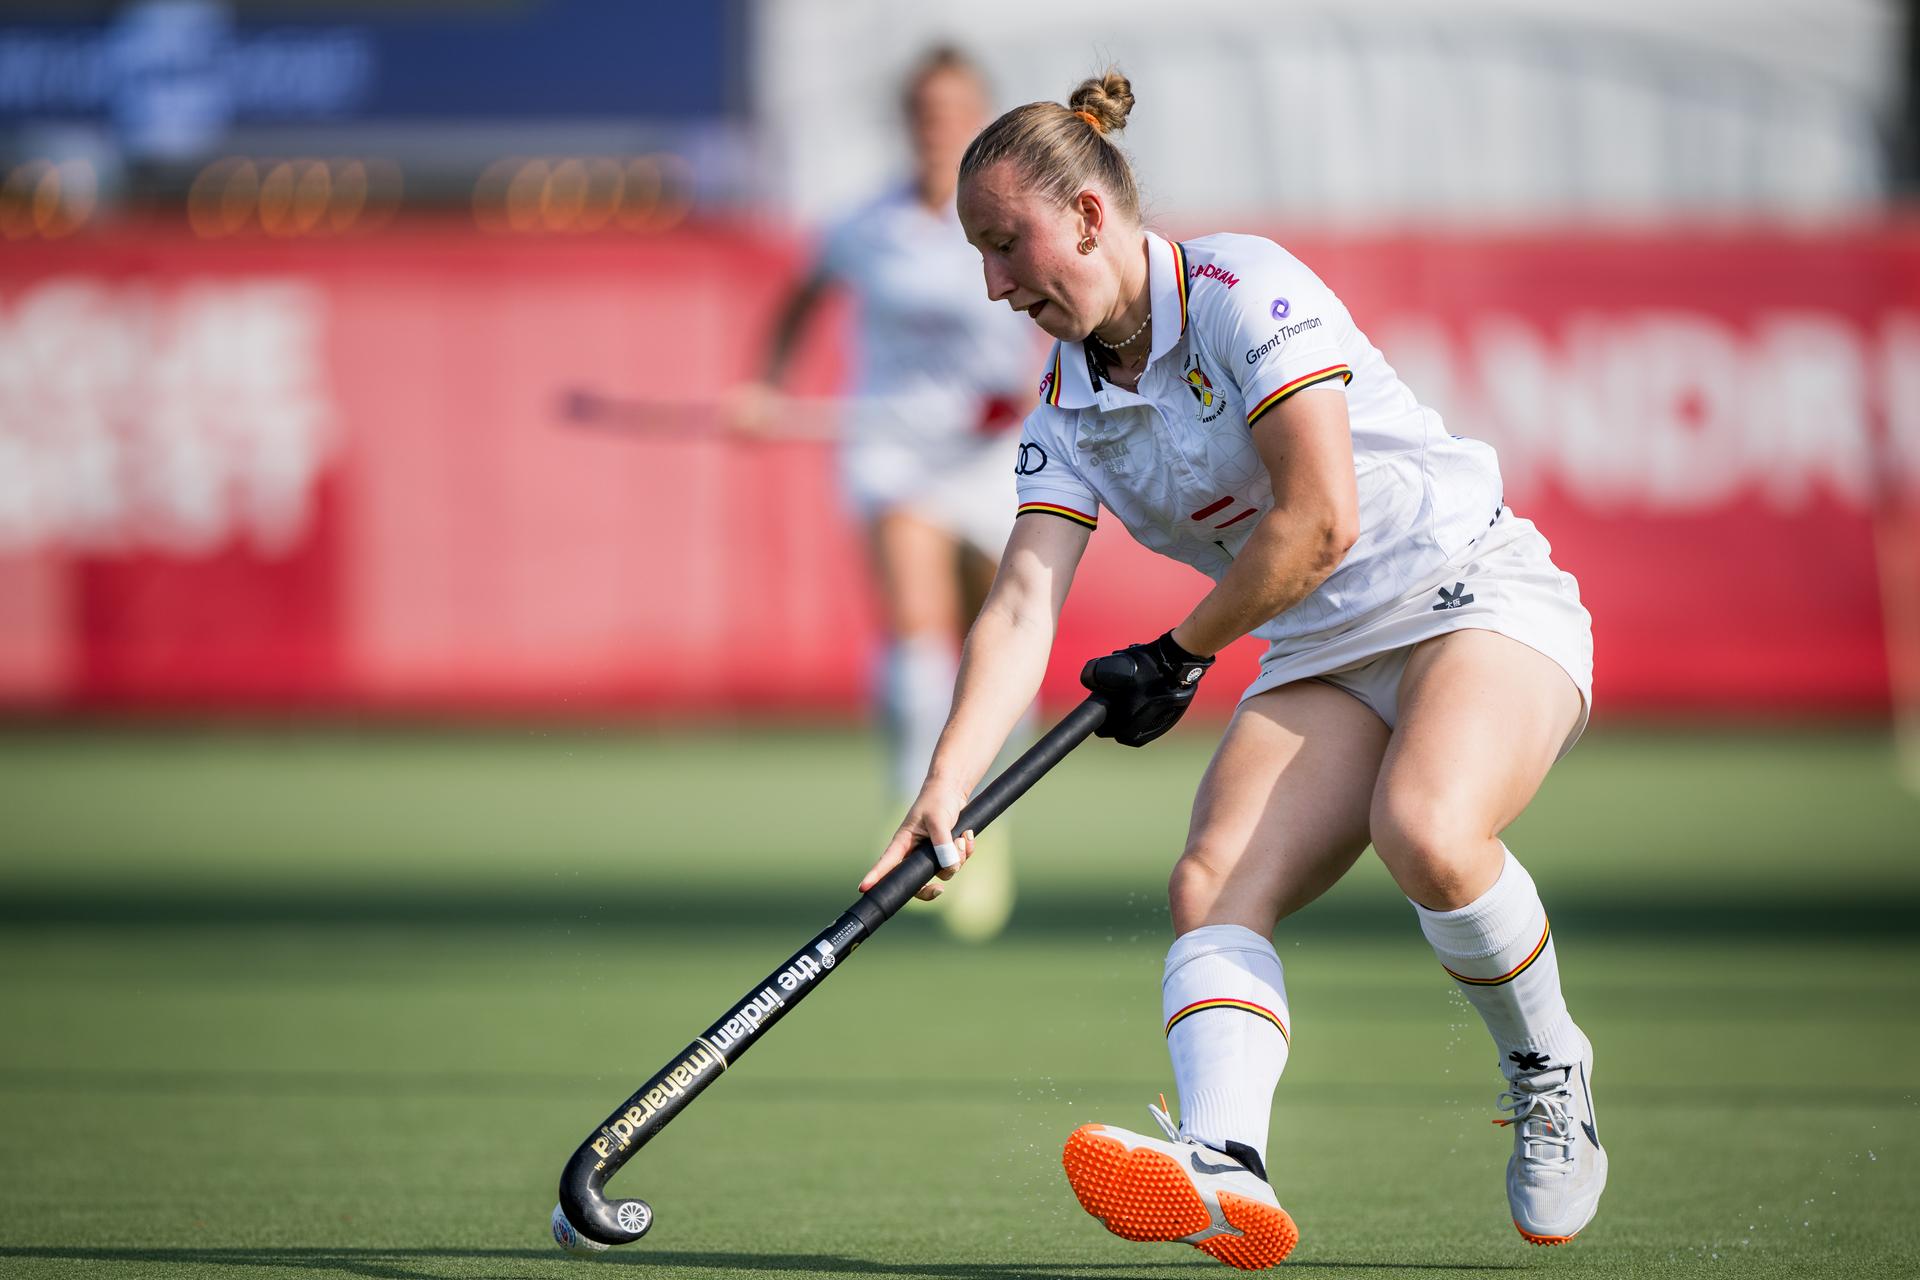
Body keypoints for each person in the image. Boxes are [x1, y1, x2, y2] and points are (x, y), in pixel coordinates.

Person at [859, 70, 1606, 1268]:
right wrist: (945, 790)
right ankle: (1224, 1157)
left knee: (1425, 826)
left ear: (1089, 217)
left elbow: (1321, 520)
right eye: (980, 256)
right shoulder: (1064, 404)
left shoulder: (1243, 289)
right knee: (1210, 883)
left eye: (1006, 245)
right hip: (1322, 647)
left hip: (1471, 591)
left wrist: (1179, 652)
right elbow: (1021, 603)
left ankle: (1549, 1065)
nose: (995, 285)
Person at [739, 47, 1039, 940]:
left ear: (981, 118)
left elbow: (1069, 307)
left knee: (998, 638)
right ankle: (914, 809)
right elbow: (801, 300)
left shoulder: (1015, 216)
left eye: (954, 110)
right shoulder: (864, 224)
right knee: (916, 628)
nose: (938, 127)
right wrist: (768, 386)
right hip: (893, 453)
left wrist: (1037, 389)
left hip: (993, 454)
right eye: (924, 111)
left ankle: (985, 819)